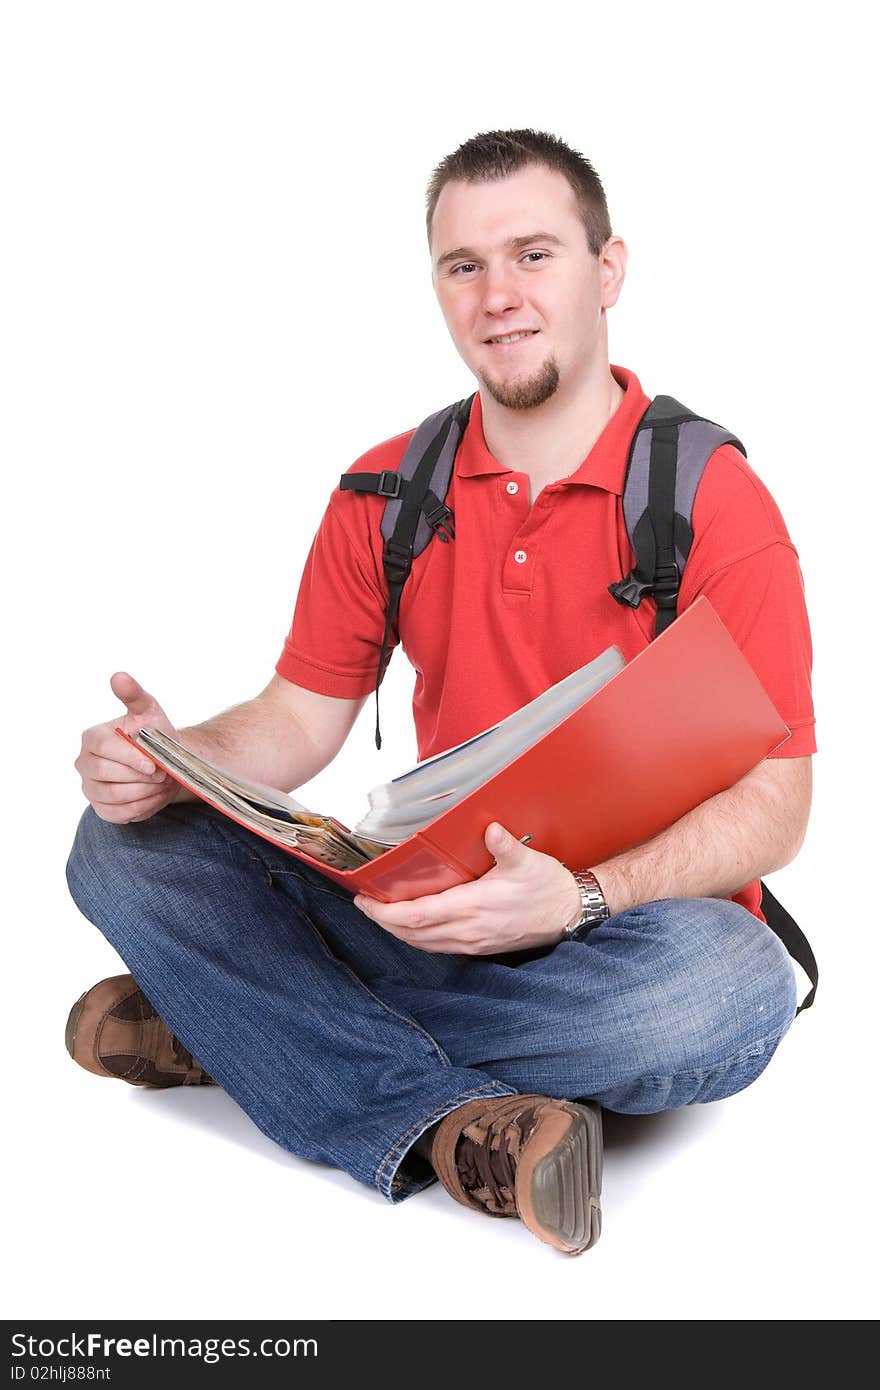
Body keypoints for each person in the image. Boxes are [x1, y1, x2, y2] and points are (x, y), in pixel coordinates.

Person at [65, 128, 814, 1256]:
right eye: (464, 266)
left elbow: (779, 804)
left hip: (622, 933)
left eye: (533, 255)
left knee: (733, 993)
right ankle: (455, 1124)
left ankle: (238, 1027)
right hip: (420, 913)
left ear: (607, 270)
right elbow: (294, 720)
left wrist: (580, 898)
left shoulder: (713, 500)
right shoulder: (385, 491)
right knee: (117, 845)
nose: (497, 297)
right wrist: (177, 756)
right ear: (437, 288)